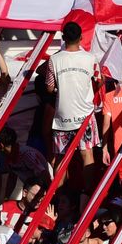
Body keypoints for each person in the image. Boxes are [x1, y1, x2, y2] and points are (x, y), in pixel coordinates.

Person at [45, 21, 100, 174]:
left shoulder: (54, 60)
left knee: (62, 158)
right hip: (85, 116)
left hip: (63, 117)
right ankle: (88, 195)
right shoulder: (91, 58)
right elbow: (100, 81)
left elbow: (49, 88)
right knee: (87, 153)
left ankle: (58, 194)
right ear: (81, 37)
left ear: (63, 38)